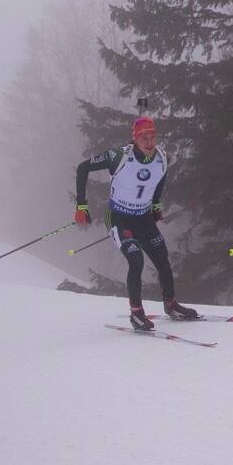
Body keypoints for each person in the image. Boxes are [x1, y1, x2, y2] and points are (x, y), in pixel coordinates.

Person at [74, 117, 197, 331]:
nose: (149, 142)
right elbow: (83, 168)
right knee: (136, 259)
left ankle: (171, 305)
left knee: (162, 259)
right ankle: (137, 314)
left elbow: (160, 179)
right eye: (144, 138)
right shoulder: (119, 155)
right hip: (118, 217)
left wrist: (156, 204)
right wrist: (81, 205)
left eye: (152, 137)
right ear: (135, 138)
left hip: (143, 218)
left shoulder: (162, 157)